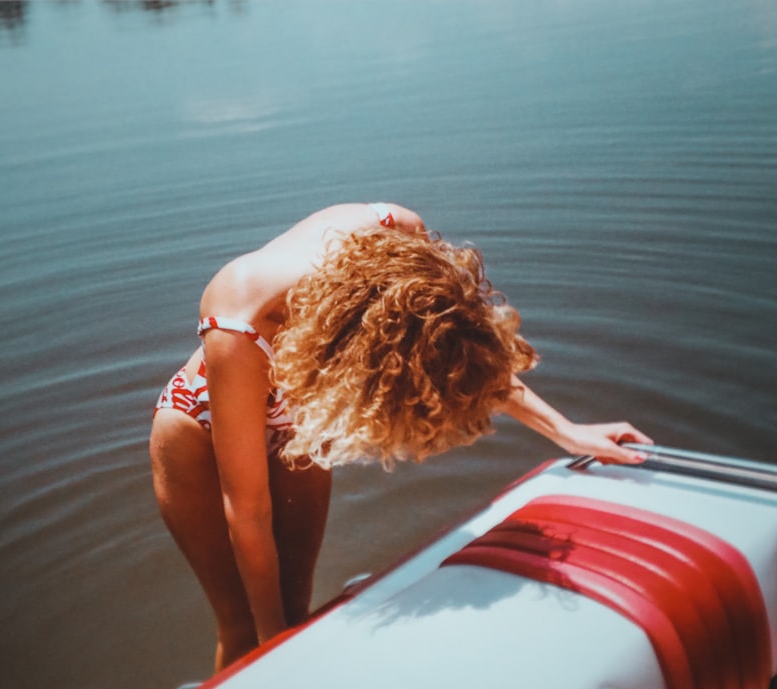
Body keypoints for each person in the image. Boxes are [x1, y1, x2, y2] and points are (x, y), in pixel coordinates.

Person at [149, 202, 652, 671]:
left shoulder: (397, 232)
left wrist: (565, 430)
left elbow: (455, 353)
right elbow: (249, 513)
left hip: (298, 424)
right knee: (245, 630)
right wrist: (279, 658)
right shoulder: (241, 312)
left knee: (297, 603)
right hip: (202, 425)